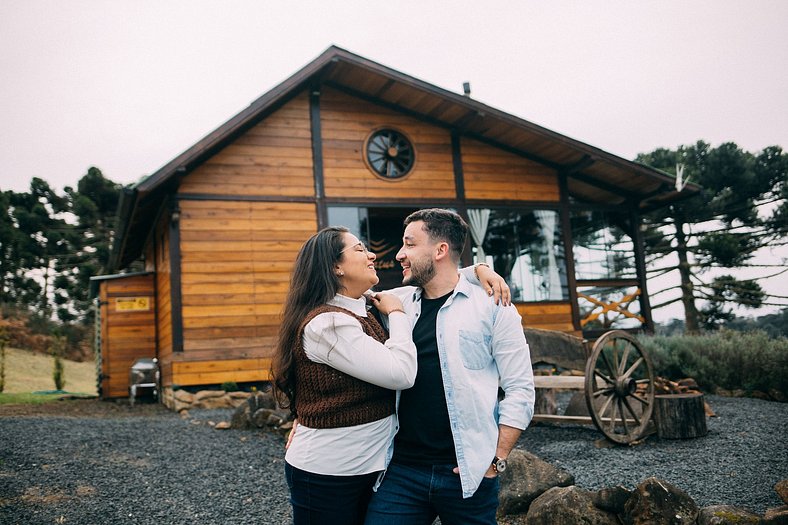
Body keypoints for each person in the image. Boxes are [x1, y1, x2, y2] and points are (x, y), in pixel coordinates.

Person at [271, 226, 509, 525]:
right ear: (336, 267)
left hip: (372, 467)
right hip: (329, 471)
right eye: (359, 249)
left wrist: (478, 270)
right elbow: (400, 374)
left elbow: (442, 275)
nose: (372, 254)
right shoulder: (328, 324)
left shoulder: (362, 305)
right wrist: (398, 316)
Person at [364, 209, 535, 525]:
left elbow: (521, 389)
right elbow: (342, 296)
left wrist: (495, 461)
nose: (400, 254)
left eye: (410, 244)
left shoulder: (493, 306)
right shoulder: (396, 303)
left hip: (468, 472)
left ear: (440, 250)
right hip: (402, 471)